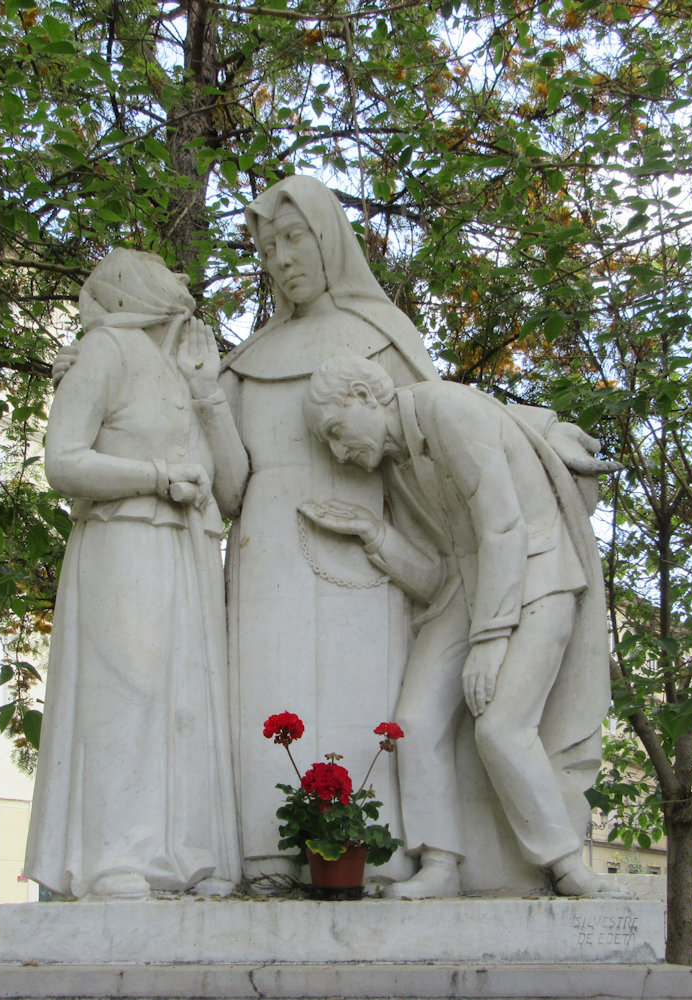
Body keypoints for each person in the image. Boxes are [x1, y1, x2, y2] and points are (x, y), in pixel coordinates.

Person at [299, 355, 624, 897]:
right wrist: (374, 534)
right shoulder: (397, 466)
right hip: (466, 592)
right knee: (415, 722)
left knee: (501, 727)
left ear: (364, 393)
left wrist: (490, 643)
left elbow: (503, 524)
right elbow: (435, 576)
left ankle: (567, 865)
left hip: (537, 578)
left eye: (336, 431)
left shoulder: (445, 408)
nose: (338, 452)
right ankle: (441, 864)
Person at [208, 176, 438, 880]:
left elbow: (428, 453)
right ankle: (267, 855)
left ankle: (373, 856)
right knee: (267, 703)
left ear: (327, 237)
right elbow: (227, 487)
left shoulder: (382, 341)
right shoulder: (244, 365)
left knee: (360, 702)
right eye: (267, 246)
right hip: (266, 562)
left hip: (360, 566)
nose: (279, 259)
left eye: (292, 238)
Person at [24, 250, 242, 899]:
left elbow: (231, 490)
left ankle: (185, 854)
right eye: (165, 275)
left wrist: (208, 394)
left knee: (187, 697)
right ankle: (114, 855)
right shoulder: (106, 352)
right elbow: (63, 463)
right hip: (123, 540)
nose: (181, 282)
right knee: (127, 690)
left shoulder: (188, 369)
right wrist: (151, 478)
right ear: (133, 287)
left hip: (189, 551)